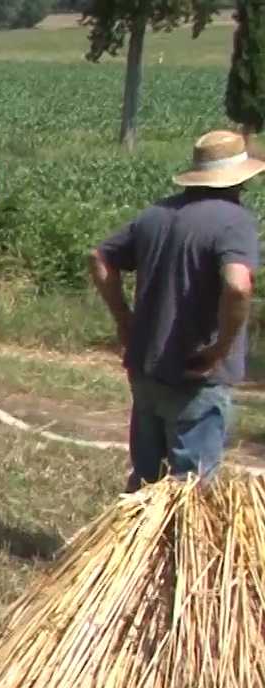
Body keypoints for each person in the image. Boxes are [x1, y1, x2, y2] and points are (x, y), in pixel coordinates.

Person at [91, 129, 260, 489]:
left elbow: (100, 258)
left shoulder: (156, 214)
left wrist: (124, 319)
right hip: (195, 374)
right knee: (190, 489)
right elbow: (238, 285)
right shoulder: (235, 221)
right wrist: (220, 348)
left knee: (146, 481)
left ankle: (136, 528)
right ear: (239, 180)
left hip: (146, 368)